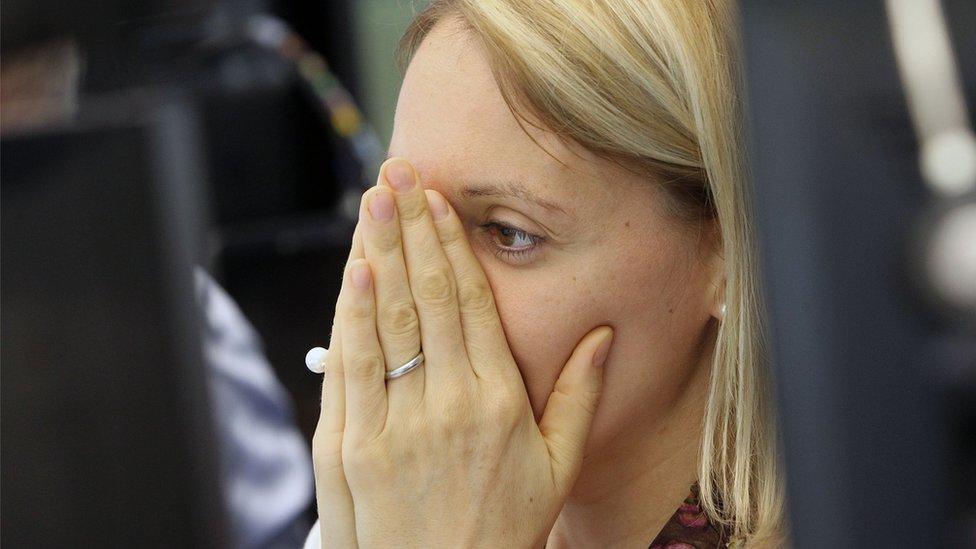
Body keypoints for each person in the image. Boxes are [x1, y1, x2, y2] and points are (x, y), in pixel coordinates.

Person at [305, 1, 786, 547]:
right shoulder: (378, 520)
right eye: (399, 212)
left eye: (509, 233)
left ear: (733, 256)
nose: (419, 285)